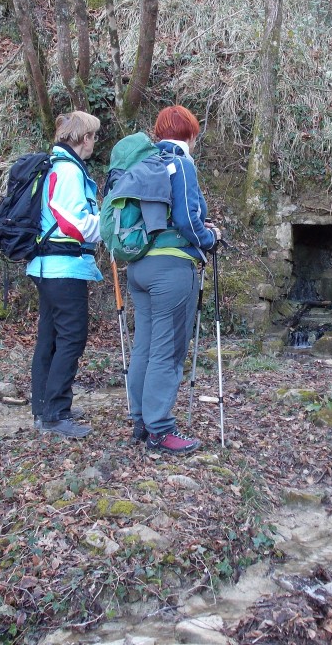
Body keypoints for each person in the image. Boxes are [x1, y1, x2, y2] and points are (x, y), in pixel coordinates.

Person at [126, 105, 222, 454]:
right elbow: (185, 219)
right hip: (171, 268)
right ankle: (160, 431)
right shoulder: (180, 164)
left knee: (145, 347)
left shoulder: (144, 163)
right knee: (167, 351)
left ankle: (140, 420)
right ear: (190, 135)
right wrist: (209, 238)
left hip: (138, 267)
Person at [27, 111, 103, 439]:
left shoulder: (54, 166)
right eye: (94, 136)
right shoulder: (69, 171)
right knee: (71, 338)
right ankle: (56, 413)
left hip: (47, 266)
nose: (95, 142)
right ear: (84, 138)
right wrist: (107, 225)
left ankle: (45, 407)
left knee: (51, 337)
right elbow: (72, 223)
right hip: (64, 267)